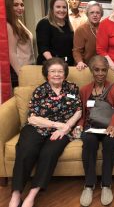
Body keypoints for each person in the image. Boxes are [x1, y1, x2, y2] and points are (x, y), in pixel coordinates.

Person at [8, 58, 82, 207]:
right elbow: (33, 118)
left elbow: (78, 111)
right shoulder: (40, 91)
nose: (57, 74)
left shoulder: (72, 89)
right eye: (53, 71)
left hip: (62, 130)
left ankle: (32, 194)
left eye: (60, 71)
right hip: (37, 128)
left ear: (65, 74)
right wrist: (56, 124)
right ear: (47, 74)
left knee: (49, 153)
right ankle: (16, 194)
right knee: (26, 150)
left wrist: (66, 127)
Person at [77, 56, 114, 206]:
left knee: (110, 142)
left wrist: (113, 125)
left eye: (104, 70)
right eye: (96, 70)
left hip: (109, 125)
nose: (100, 73)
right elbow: (83, 113)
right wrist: (79, 126)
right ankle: (89, 185)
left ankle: (106, 184)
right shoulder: (84, 90)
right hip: (91, 127)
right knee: (89, 141)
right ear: (91, 70)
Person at [5, 0, 35, 88]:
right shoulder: (8, 25)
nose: (20, 8)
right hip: (18, 70)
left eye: (22, 5)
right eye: (15, 5)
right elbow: (11, 53)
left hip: (28, 67)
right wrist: (21, 75)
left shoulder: (18, 21)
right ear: (8, 7)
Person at [36, 0, 74, 66]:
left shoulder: (67, 24)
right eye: (58, 7)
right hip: (50, 65)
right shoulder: (44, 23)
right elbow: (43, 47)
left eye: (64, 7)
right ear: (52, 8)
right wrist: (54, 64)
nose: (62, 10)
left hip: (65, 64)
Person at [73, 1, 103, 71]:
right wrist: (80, 62)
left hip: (101, 67)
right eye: (92, 12)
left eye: (98, 13)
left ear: (101, 15)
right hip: (86, 67)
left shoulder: (104, 28)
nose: (95, 15)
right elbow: (76, 50)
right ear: (87, 14)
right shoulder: (81, 29)